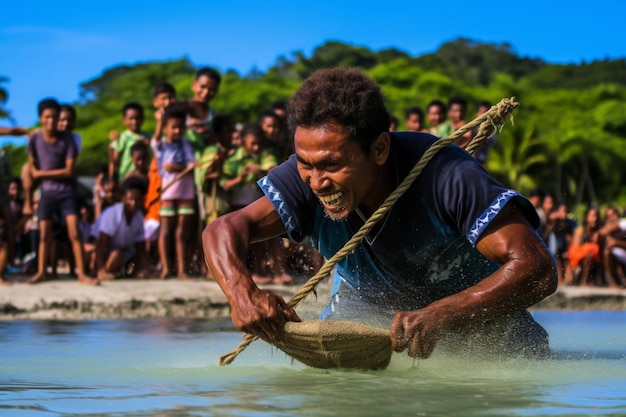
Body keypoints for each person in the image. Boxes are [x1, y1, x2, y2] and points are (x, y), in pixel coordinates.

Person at [202, 67, 557, 359]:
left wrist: (444, 313)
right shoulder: (304, 174)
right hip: (366, 305)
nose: (316, 182)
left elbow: (537, 268)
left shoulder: (446, 175)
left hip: (477, 312)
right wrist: (240, 291)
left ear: (380, 148)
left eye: (332, 165)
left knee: (522, 375)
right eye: (306, 165)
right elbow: (222, 229)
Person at [25, 98, 97, 285]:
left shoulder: (68, 139)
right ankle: (41, 271)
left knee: (75, 234)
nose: (51, 121)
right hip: (46, 193)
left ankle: (82, 273)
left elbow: (69, 171)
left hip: (67, 192)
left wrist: (42, 173)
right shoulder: (35, 139)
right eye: (47, 117)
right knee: (44, 235)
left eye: (54, 117)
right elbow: (32, 168)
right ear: (41, 118)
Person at [152, 105, 196, 280]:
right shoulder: (162, 144)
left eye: (180, 127)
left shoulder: (185, 144)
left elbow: (192, 165)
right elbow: (154, 140)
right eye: (173, 127)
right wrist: (159, 120)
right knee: (166, 230)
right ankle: (164, 267)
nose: (177, 131)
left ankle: (181, 270)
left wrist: (177, 167)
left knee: (181, 232)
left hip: (185, 191)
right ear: (165, 129)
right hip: (168, 191)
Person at [92, 177, 150, 280]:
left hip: (124, 254)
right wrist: (100, 270)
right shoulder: (113, 214)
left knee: (143, 257)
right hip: (102, 253)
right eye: (130, 199)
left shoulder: (139, 216)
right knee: (116, 255)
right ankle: (103, 270)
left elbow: (141, 248)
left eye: (137, 200)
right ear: (123, 198)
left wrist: (145, 267)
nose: (134, 203)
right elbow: (101, 245)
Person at [108, 102, 150, 182]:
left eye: (138, 118)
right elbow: (114, 162)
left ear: (143, 119)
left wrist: (150, 143)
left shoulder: (148, 136)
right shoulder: (122, 137)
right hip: (126, 179)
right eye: (131, 118)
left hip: (146, 178)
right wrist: (111, 179)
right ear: (124, 120)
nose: (134, 122)